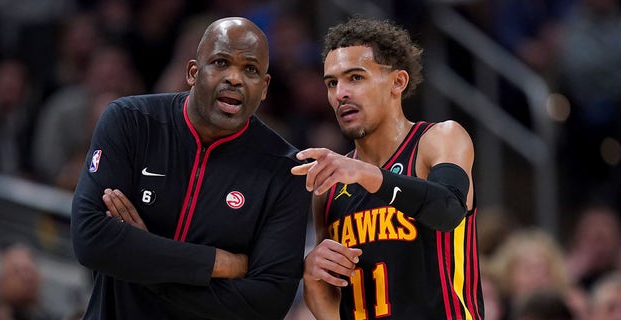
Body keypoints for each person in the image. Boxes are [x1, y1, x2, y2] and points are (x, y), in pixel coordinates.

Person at [71, 17, 310, 319]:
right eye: (221, 62)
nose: (234, 78)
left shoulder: (285, 171)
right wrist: (215, 263)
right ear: (193, 72)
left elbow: (265, 304)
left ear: (263, 88)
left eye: (250, 69)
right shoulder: (131, 121)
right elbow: (89, 239)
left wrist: (142, 260)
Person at [291, 17, 484, 319]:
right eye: (332, 82)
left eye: (355, 77)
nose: (340, 93)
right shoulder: (329, 187)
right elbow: (334, 310)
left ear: (398, 82)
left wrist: (369, 175)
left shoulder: (438, 139)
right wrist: (313, 278)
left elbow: (449, 210)